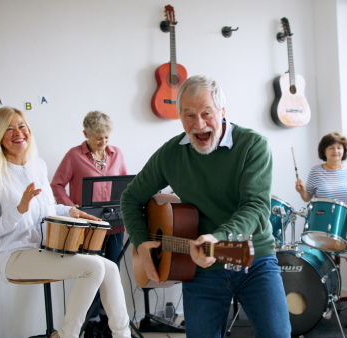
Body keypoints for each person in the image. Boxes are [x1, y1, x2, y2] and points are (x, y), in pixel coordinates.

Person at [121, 75, 291, 338]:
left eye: (206, 113)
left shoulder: (253, 145)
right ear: (179, 116)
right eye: (188, 115)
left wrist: (218, 238)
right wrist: (141, 242)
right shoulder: (171, 154)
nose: (198, 124)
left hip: (254, 259)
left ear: (222, 112)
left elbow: (256, 207)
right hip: (200, 270)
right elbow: (130, 198)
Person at [0, 107, 131, 338]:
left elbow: (48, 209)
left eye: (21, 126)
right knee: (94, 266)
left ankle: (122, 335)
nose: (18, 132)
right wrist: (18, 211)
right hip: (11, 255)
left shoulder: (37, 166)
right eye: (9, 128)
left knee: (108, 266)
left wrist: (72, 211)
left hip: (42, 249)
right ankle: (67, 334)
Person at [51, 111, 127, 337]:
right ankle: (89, 324)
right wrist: (73, 210)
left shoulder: (117, 154)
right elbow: (56, 185)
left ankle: (107, 323)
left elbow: (123, 186)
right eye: (97, 138)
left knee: (112, 274)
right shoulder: (74, 156)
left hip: (115, 226)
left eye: (106, 137)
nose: (103, 142)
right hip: (87, 228)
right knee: (92, 274)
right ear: (85, 134)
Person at [295, 131, 347, 229]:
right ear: (324, 151)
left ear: (344, 150)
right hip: (324, 226)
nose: (335, 151)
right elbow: (307, 197)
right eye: (331, 148)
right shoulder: (315, 171)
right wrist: (302, 192)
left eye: (339, 148)